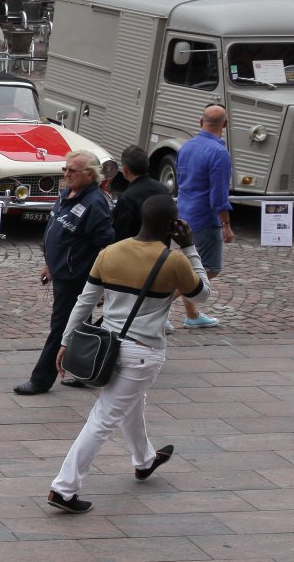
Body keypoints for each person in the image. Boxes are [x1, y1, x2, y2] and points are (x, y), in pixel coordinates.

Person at [46, 196, 210, 513]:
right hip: (144, 352)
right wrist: (190, 248)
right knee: (103, 419)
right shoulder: (174, 261)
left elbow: (85, 301)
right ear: (173, 225)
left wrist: (66, 341)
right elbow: (202, 295)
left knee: (132, 402)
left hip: (108, 346)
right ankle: (63, 488)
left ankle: (144, 460)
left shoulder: (110, 253)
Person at [15, 150, 115, 395]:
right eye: (65, 169)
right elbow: (56, 232)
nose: (67, 174)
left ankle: (41, 379)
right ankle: (83, 371)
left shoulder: (95, 203)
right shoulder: (66, 194)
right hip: (62, 272)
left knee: (61, 326)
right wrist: (50, 263)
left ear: (89, 174)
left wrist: (100, 282)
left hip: (75, 277)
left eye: (72, 170)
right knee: (80, 324)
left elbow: (106, 245)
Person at [175, 105, 232, 329]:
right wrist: (226, 224)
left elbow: (181, 181)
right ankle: (157, 308)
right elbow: (219, 197)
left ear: (201, 122)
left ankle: (192, 314)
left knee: (191, 266)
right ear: (225, 124)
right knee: (209, 268)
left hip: (184, 212)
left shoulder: (186, 147)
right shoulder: (219, 153)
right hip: (204, 218)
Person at [111, 144, 168, 241]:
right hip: (161, 247)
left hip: (135, 248)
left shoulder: (127, 197)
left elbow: (120, 233)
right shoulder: (163, 189)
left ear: (125, 170)